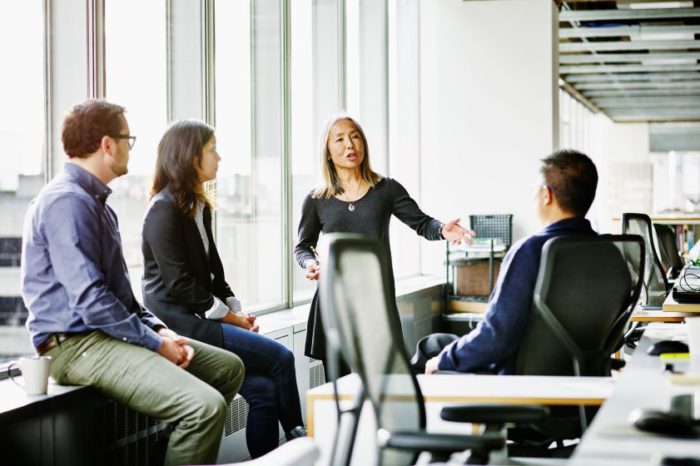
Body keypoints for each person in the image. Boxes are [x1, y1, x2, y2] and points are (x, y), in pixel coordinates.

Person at [21, 100, 245, 466]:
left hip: (103, 335)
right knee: (204, 408)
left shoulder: (98, 205)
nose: (130, 148)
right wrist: (156, 344)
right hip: (74, 346)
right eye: (129, 139)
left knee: (228, 368)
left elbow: (122, 298)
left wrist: (160, 330)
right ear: (108, 144)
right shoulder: (68, 202)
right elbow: (91, 301)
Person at [141, 119, 306, 459]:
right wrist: (231, 318)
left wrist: (237, 309)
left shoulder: (198, 207)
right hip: (182, 327)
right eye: (212, 150)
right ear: (189, 157)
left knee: (263, 392)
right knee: (281, 358)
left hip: (205, 319)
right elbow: (181, 284)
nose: (219, 158)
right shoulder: (162, 210)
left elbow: (214, 273)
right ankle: (299, 441)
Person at [294, 114, 474, 375]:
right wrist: (311, 263)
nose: (350, 145)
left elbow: (423, 223)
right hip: (334, 304)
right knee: (340, 392)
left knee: (384, 384)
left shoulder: (385, 189)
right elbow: (303, 246)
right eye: (340, 139)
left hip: (375, 302)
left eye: (355, 136)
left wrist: (443, 231)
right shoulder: (316, 199)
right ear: (328, 151)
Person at [426, 149, 599, 375]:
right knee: (442, 342)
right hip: (579, 372)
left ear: (547, 194)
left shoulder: (532, 251)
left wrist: (441, 361)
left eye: (534, 190)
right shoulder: (607, 252)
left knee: (430, 350)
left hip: (521, 376)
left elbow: (496, 337)